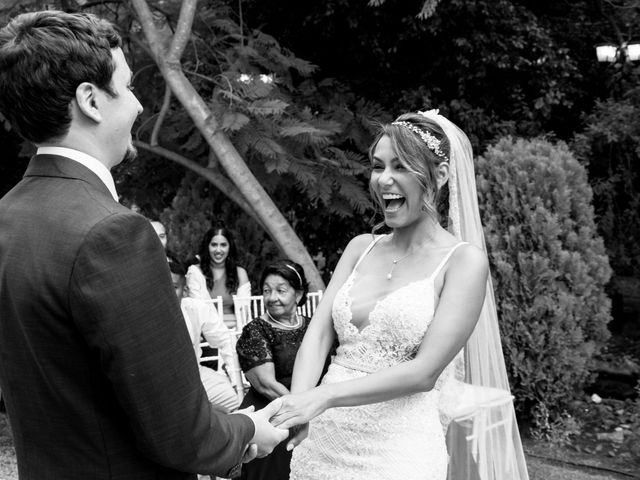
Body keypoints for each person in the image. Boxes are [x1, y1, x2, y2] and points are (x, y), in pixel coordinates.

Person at [0, 11, 287, 479]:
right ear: (91, 100)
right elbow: (180, 432)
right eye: (128, 87)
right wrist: (248, 433)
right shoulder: (112, 234)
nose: (137, 105)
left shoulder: (7, 217)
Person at [271, 110, 530, 480]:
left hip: (398, 451)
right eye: (378, 166)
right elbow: (318, 335)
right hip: (322, 441)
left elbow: (424, 372)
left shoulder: (463, 263)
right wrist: (299, 403)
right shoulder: (360, 248)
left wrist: (322, 398)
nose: (384, 179)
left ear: (439, 175)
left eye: (401, 167)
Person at [236, 260, 329, 480]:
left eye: (280, 290)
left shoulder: (313, 327)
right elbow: (267, 385)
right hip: (272, 414)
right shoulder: (256, 330)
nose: (272, 297)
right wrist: (303, 413)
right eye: (267, 291)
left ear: (298, 294)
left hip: (315, 408)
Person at [169, 260, 241, 413]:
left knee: (237, 401)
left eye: (174, 287)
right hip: (165, 386)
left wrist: (236, 382)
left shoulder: (195, 308)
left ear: (185, 290)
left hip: (196, 376)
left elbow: (224, 339)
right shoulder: (146, 316)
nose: (167, 292)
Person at [187, 225, 251, 329]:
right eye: (214, 245)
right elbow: (198, 311)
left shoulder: (240, 273)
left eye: (223, 245)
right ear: (207, 246)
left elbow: (244, 311)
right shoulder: (195, 272)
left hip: (236, 332)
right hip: (206, 333)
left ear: (230, 247)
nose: (218, 250)